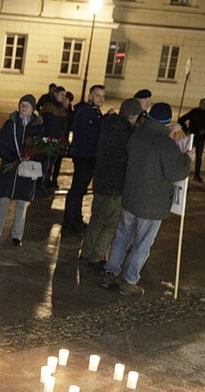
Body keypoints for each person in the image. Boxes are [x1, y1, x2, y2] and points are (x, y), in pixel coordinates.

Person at [101, 103, 191, 296]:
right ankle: (129, 280)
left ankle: (111, 271)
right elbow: (175, 172)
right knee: (142, 243)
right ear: (167, 120)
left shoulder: (137, 135)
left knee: (122, 237)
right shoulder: (167, 145)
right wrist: (187, 159)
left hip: (131, 197)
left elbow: (152, 141)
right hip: (152, 204)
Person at [80, 98, 143, 269]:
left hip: (100, 181)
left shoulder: (108, 125)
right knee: (110, 224)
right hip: (115, 185)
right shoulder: (127, 134)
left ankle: (86, 252)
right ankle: (97, 257)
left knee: (96, 219)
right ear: (133, 116)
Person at [0, 94, 44, 247]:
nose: (24, 107)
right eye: (22, 104)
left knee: (21, 203)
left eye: (27, 105)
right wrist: (11, 157)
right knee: (3, 201)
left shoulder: (37, 127)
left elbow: (42, 149)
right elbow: (0, 143)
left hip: (27, 169)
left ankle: (17, 235)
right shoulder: (10, 124)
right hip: (9, 167)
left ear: (33, 109)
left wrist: (31, 156)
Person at [64, 84, 105, 234]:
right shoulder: (85, 112)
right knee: (77, 189)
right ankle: (70, 222)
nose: (100, 99)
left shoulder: (94, 112)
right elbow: (92, 133)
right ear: (90, 96)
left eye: (102, 96)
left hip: (88, 155)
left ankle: (75, 219)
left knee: (80, 190)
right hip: (84, 155)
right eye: (97, 95)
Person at [39, 87, 71, 190]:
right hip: (50, 140)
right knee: (46, 164)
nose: (64, 97)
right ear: (56, 94)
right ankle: (41, 185)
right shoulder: (49, 106)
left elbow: (65, 125)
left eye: (64, 95)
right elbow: (49, 125)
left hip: (58, 141)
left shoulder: (61, 108)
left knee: (51, 164)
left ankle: (46, 184)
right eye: (62, 94)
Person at [177, 98, 205, 182]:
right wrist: (186, 130)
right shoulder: (194, 112)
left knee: (199, 157)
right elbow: (181, 120)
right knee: (187, 154)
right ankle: (183, 171)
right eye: (202, 103)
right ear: (199, 103)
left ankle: (197, 175)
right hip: (192, 136)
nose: (203, 105)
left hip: (200, 138)